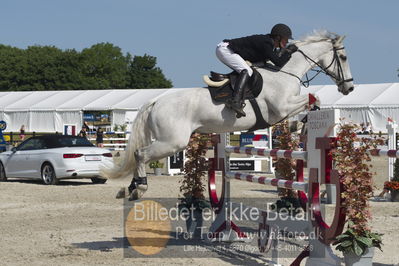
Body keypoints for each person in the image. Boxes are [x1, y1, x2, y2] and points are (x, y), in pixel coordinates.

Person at [216, 23, 298, 117]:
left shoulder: (270, 45)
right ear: (278, 38)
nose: (287, 42)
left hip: (229, 50)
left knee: (249, 69)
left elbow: (270, 61)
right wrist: (288, 52)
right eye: (286, 39)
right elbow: (278, 62)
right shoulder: (266, 43)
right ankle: (235, 101)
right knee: (247, 71)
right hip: (225, 49)